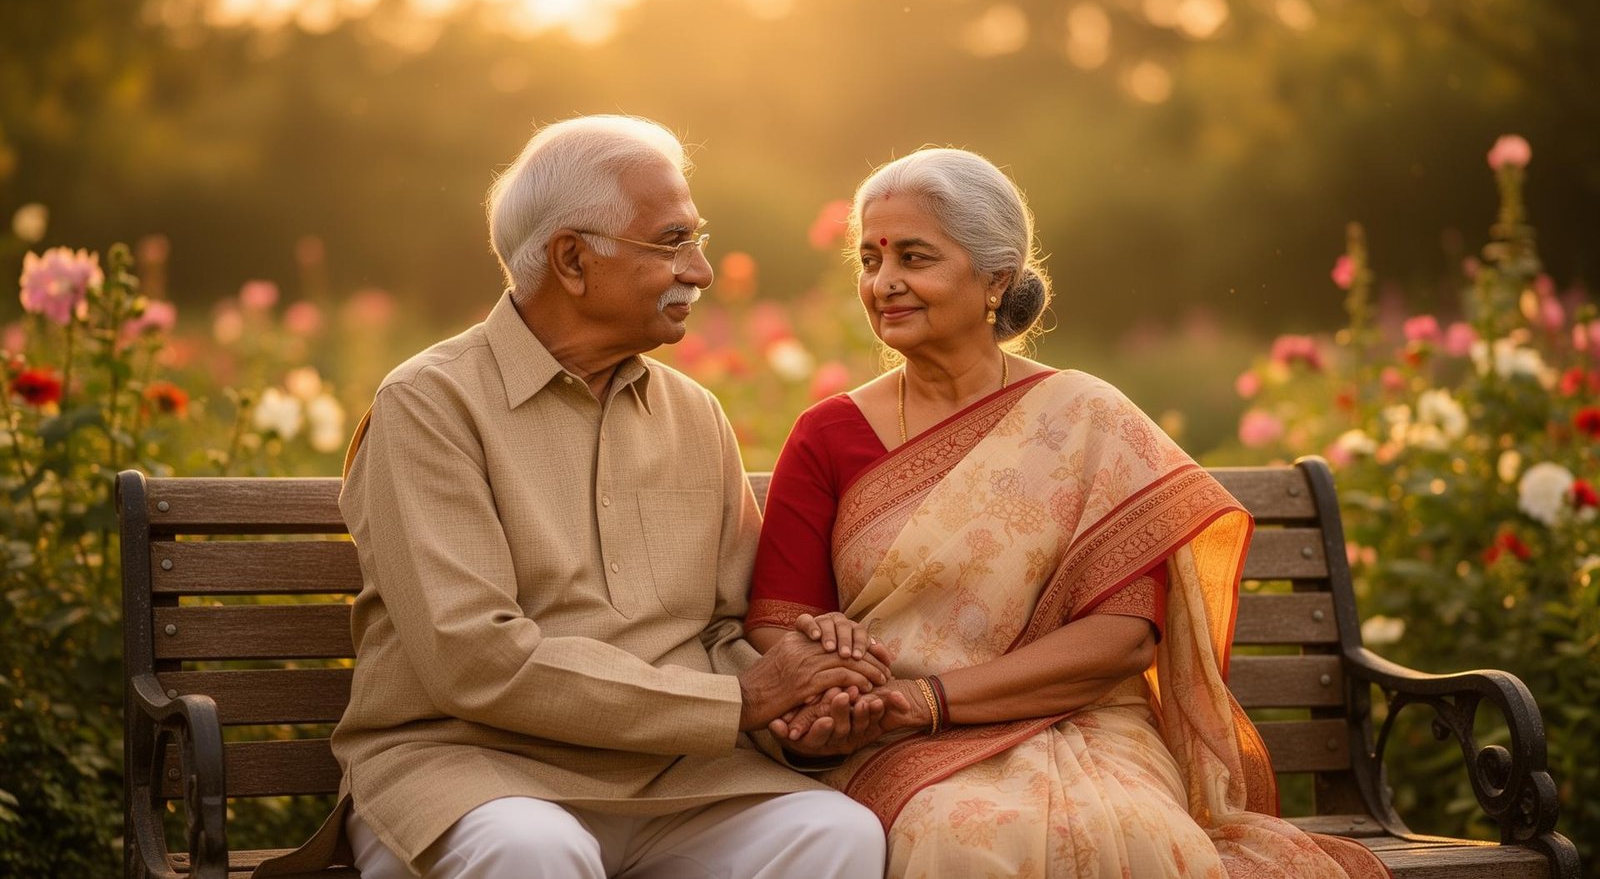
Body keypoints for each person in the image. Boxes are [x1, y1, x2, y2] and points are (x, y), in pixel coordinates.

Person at [256, 115, 889, 879]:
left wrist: (800, 713)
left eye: (699, 239)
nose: (701, 270)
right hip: (475, 775)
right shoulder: (428, 405)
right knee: (533, 851)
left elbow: (725, 629)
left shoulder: (695, 414)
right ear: (572, 259)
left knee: (837, 834)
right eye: (671, 241)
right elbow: (475, 659)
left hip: (678, 777)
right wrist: (739, 704)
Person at [745, 148, 1391, 878]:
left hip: (1084, 727)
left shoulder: (1085, 418)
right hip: (895, 745)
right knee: (960, 835)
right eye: (870, 258)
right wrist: (834, 663)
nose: (883, 282)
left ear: (996, 278)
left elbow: (1119, 642)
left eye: (914, 257)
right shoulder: (829, 433)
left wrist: (929, 699)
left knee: (1134, 833)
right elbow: (777, 617)